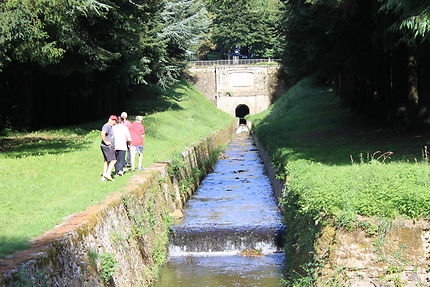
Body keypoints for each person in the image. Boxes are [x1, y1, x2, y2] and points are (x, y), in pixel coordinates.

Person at [100, 115, 117, 181]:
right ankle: (108, 174)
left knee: (106, 161)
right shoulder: (107, 126)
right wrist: (106, 142)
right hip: (107, 146)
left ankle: (104, 176)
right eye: (112, 120)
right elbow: (102, 134)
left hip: (107, 146)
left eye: (115, 120)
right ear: (109, 119)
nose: (114, 121)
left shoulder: (110, 126)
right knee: (113, 160)